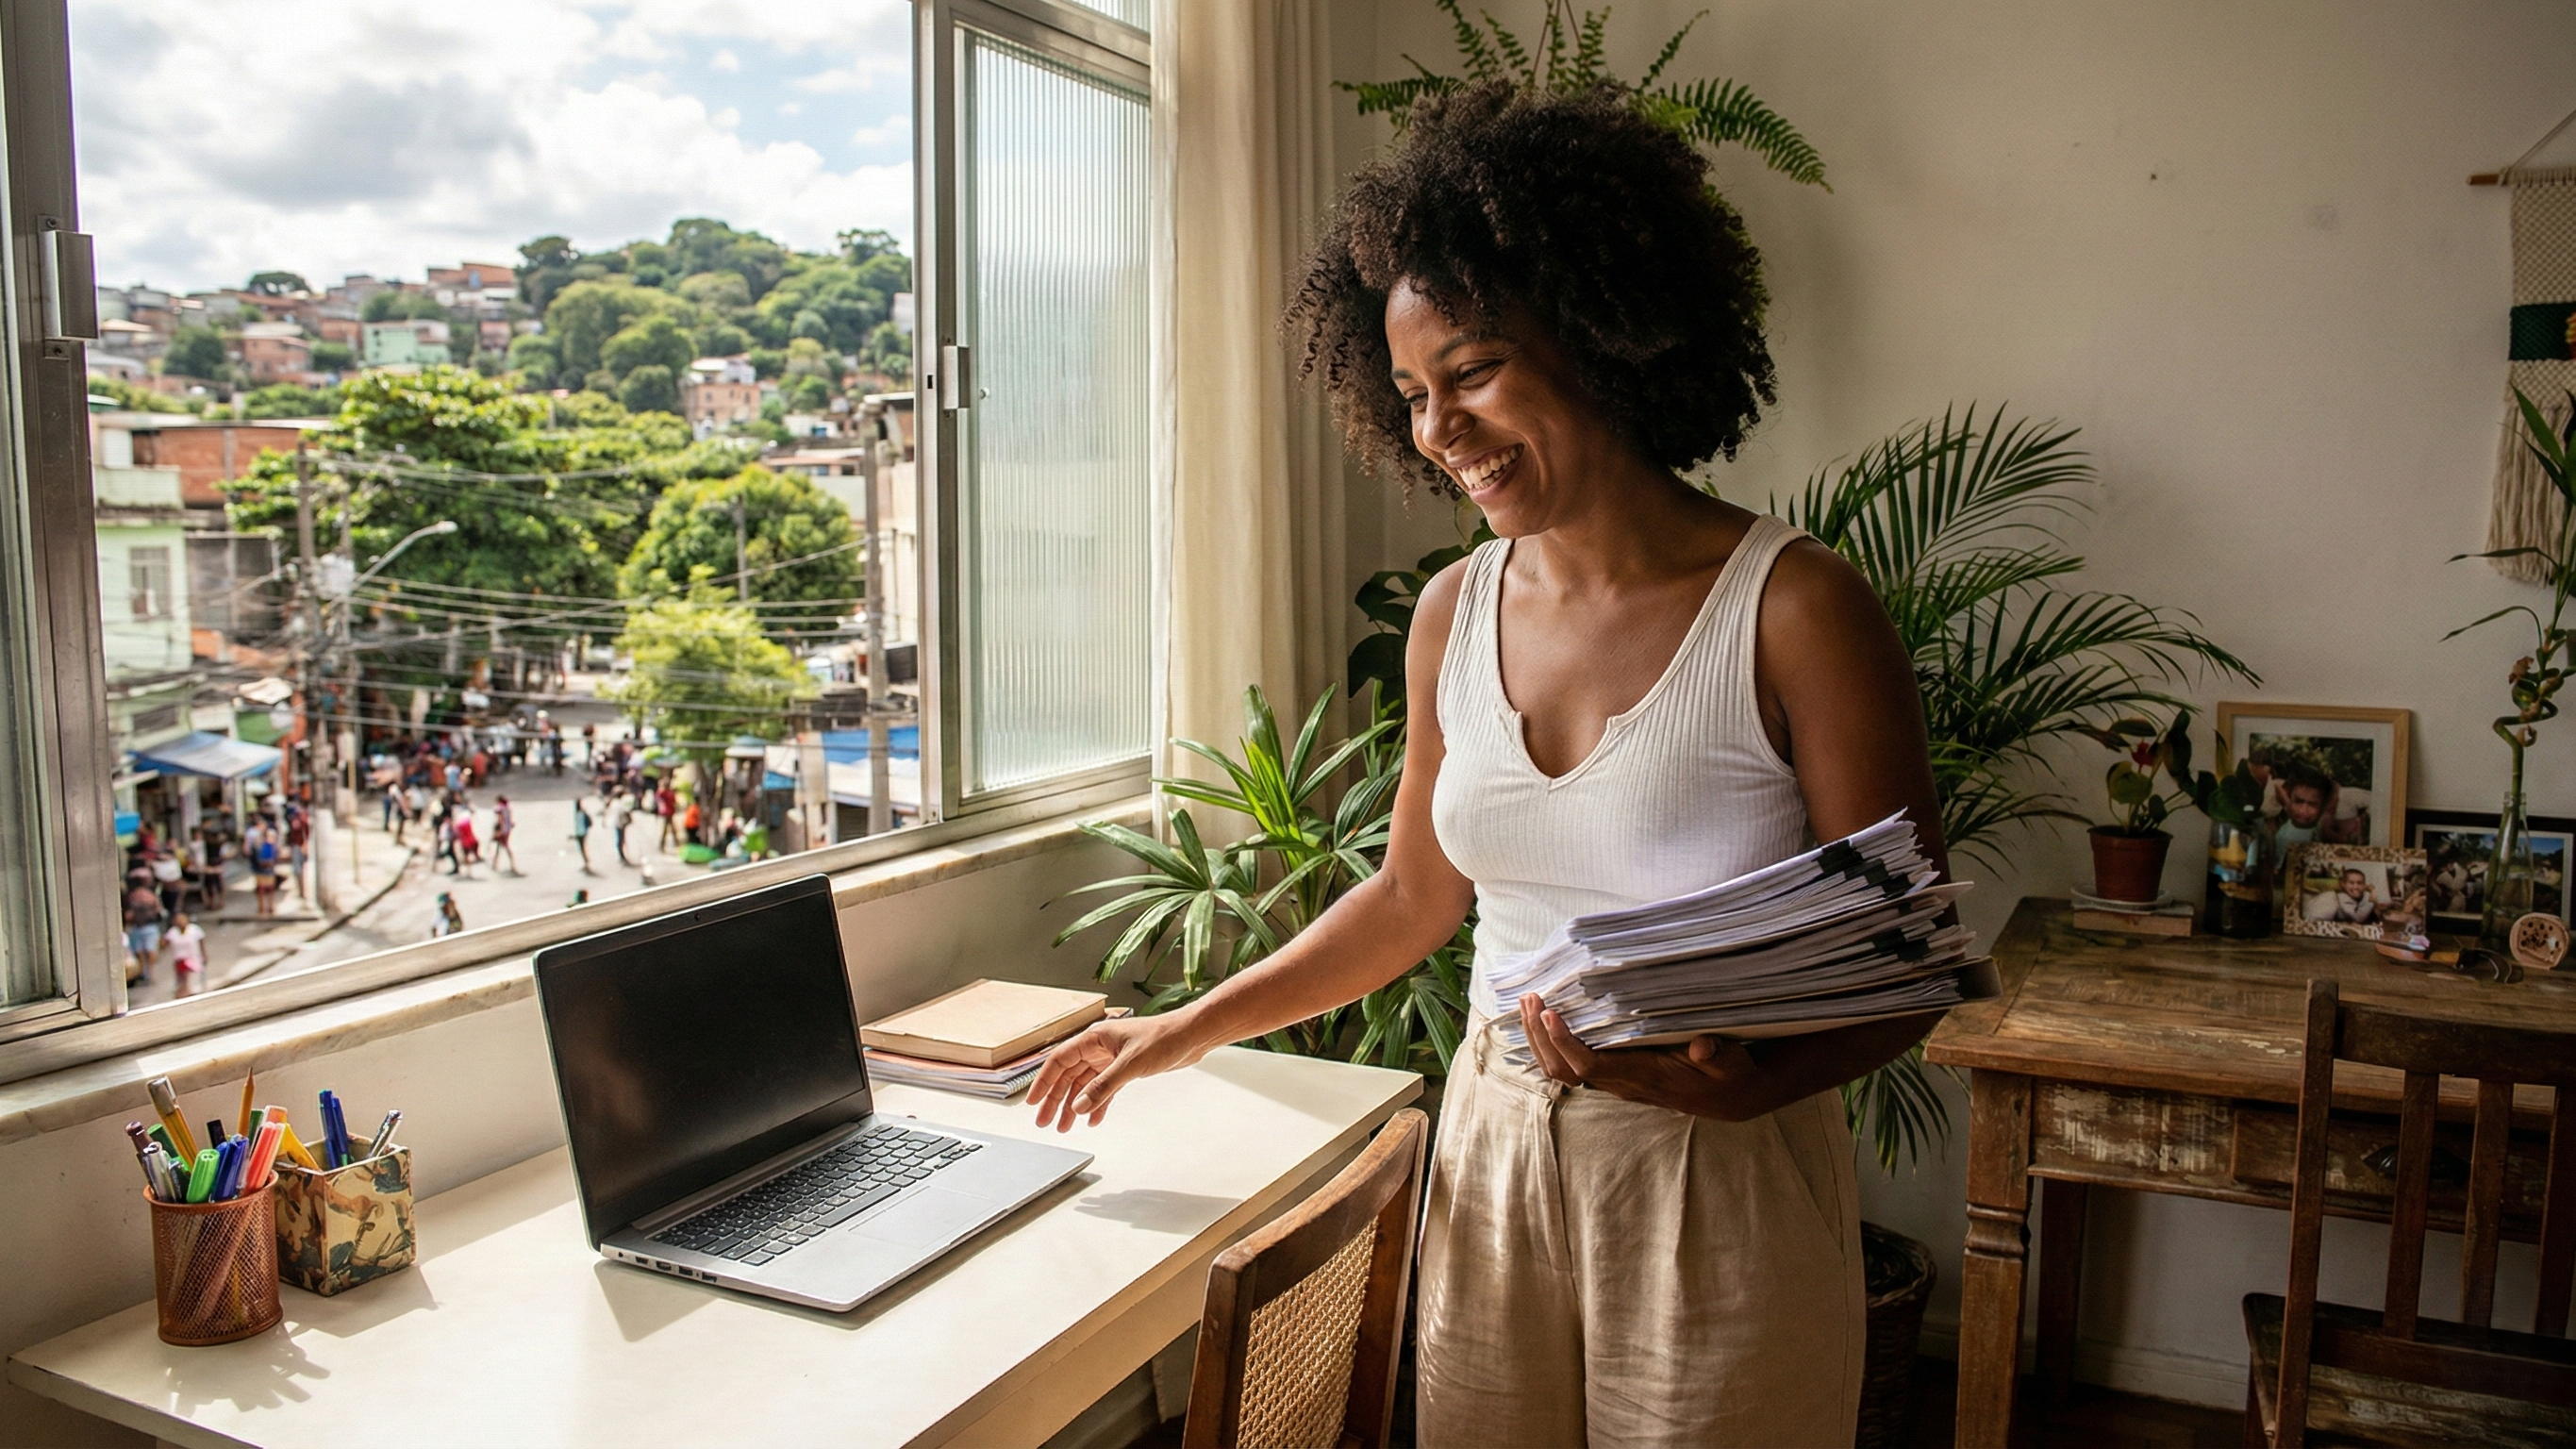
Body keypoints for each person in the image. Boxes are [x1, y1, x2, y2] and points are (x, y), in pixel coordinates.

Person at [1027, 84, 1944, 1448]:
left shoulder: (1793, 606)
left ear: (1596, 336)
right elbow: (1410, 899)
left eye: (1470, 372)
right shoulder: (1452, 616)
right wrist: (1180, 1028)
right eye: (1406, 394)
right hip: (1494, 1145)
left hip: (1716, 1168)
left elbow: (1904, 957)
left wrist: (1746, 1084)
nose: (1436, 429)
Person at [123, 876, 165, 982]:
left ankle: (146, 972)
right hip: (145, 926)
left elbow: (129, 915)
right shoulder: (150, 895)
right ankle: (148, 973)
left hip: (142, 926)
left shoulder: (133, 896)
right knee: (147, 951)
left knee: (142, 952)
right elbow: (159, 910)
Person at [165, 909, 208, 997]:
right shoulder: (172, 932)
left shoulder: (194, 929)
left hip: (193, 958)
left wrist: (204, 954)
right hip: (179, 959)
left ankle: (189, 991)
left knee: (191, 977)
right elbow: (165, 943)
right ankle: (183, 991)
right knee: (181, 978)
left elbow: (201, 942)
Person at [249, 821, 281, 917]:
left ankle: (268, 906)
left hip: (267, 869)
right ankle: (263, 907)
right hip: (261, 869)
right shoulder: (259, 845)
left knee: (269, 889)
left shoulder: (271, 846)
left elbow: (275, 857)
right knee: (262, 889)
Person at [490, 794, 519, 874]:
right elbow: (510, 819)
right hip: (508, 829)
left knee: (505, 846)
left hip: (502, 830)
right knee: (500, 846)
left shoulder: (500, 808)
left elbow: (500, 820)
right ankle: (495, 863)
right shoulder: (508, 807)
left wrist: (498, 830)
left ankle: (511, 864)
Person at [610, 790, 636, 866]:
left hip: (617, 823)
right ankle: (621, 854)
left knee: (620, 838)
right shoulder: (619, 803)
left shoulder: (614, 803)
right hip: (620, 823)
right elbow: (625, 811)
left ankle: (621, 853)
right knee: (620, 839)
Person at [571, 795, 594, 873]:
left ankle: (586, 862)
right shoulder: (582, 812)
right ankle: (586, 861)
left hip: (580, 833)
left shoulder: (577, 814)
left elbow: (577, 825)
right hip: (583, 832)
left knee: (581, 848)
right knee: (582, 847)